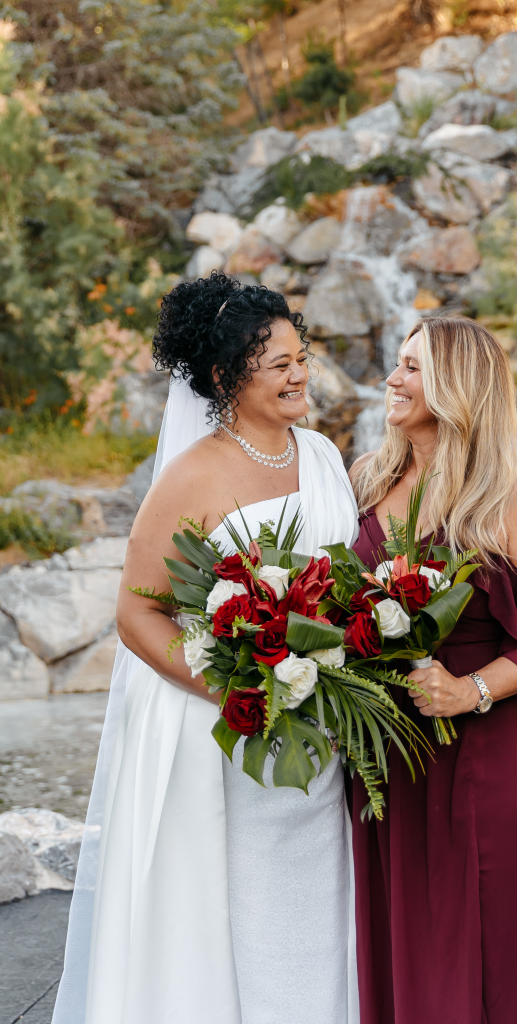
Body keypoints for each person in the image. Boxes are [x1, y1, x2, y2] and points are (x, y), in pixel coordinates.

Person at [52, 273, 360, 1024]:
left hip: (318, 725)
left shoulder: (322, 455)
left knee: (315, 903)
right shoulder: (190, 477)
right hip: (222, 731)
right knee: (233, 907)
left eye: (301, 357)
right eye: (279, 364)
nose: (300, 375)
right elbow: (136, 612)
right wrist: (234, 689)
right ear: (226, 378)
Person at [348, 316, 517, 1024]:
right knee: (413, 948)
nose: (393, 379)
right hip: (390, 759)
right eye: (397, 364)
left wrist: (470, 690)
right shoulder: (366, 479)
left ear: (458, 386)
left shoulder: (514, 495)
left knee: (504, 955)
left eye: (412, 368)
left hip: (487, 754)